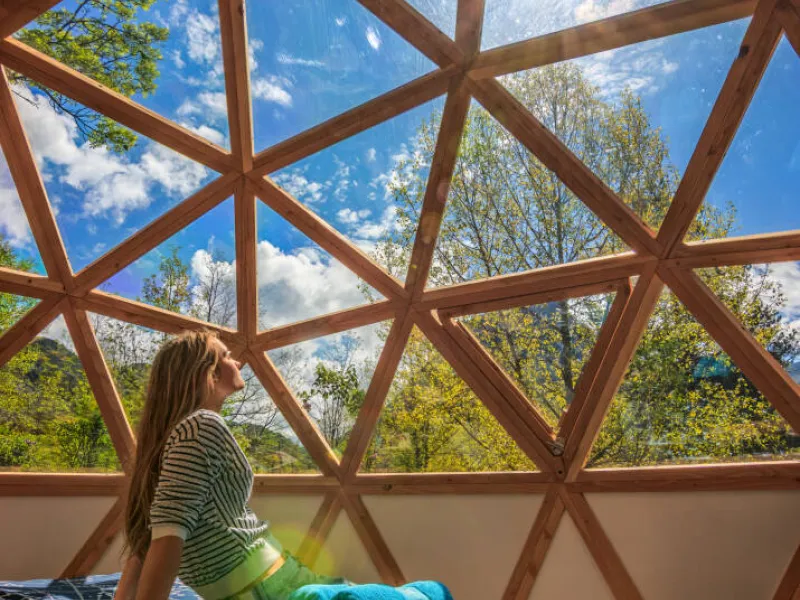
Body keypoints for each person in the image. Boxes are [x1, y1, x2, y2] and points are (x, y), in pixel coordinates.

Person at [115, 331, 347, 600]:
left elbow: (146, 543)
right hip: (269, 586)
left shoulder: (178, 435)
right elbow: (168, 532)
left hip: (264, 582)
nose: (237, 362)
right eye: (226, 355)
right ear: (209, 374)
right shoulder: (200, 426)